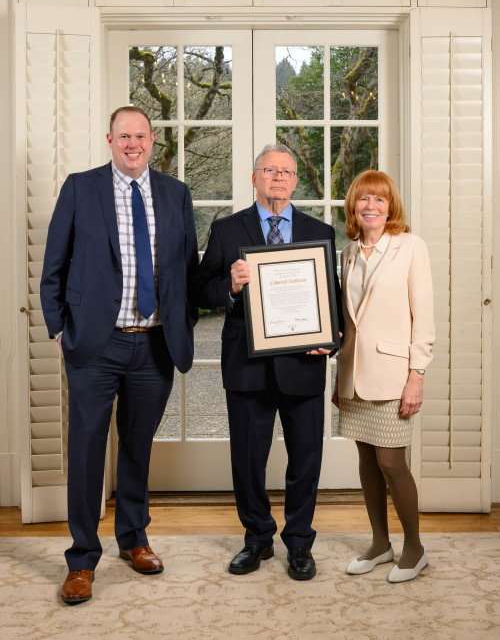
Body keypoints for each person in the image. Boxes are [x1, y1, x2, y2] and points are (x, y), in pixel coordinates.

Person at [40, 106, 198, 604]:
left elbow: (187, 272)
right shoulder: (80, 188)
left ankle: (133, 538)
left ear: (154, 139)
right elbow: (53, 267)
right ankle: (82, 558)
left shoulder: (175, 193)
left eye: (141, 135)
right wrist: (59, 330)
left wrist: (183, 323)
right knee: (87, 450)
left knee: (137, 445)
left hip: (153, 343)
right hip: (95, 342)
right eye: (124, 135)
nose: (133, 144)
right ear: (110, 139)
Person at [196, 144, 343, 581]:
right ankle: (257, 537)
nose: (278, 178)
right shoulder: (226, 230)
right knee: (247, 458)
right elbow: (200, 292)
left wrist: (332, 341)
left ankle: (299, 542)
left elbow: (332, 299)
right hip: (247, 364)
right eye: (269, 170)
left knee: (306, 458)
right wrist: (230, 287)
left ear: (296, 181)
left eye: (287, 172)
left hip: (303, 363)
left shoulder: (321, 230)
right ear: (254, 177)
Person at [334, 169, 434, 583]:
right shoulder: (348, 253)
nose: (371, 206)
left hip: (394, 375)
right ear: (353, 207)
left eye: (379, 199)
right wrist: (337, 381)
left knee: (391, 461)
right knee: (367, 462)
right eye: (363, 199)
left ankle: (414, 547)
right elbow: (346, 322)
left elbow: (423, 316)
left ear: (390, 206)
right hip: (354, 375)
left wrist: (417, 375)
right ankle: (380, 543)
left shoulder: (411, 247)